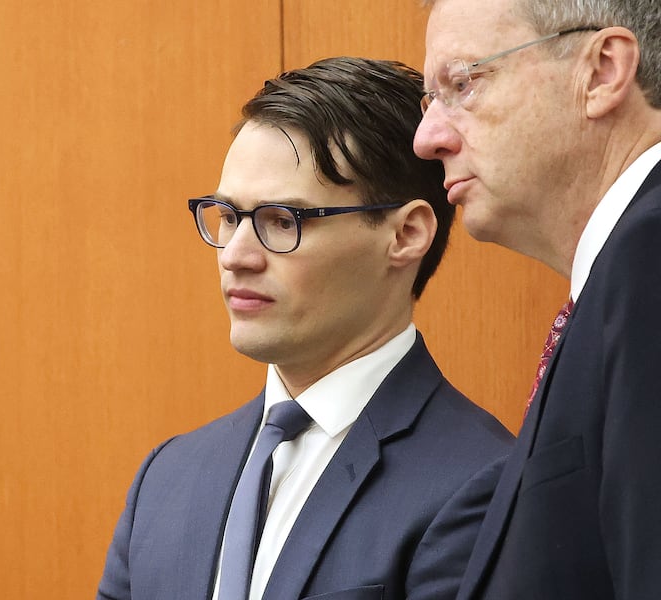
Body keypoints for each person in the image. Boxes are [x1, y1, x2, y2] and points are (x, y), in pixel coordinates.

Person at [97, 56, 513, 600]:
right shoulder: (167, 478)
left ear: (407, 234)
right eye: (228, 216)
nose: (236, 256)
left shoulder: (480, 484)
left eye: (282, 221)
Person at [414, 0, 661, 598]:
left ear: (602, 71)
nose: (427, 138)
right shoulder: (618, 277)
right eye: (429, 101)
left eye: (464, 84)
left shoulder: (650, 254)